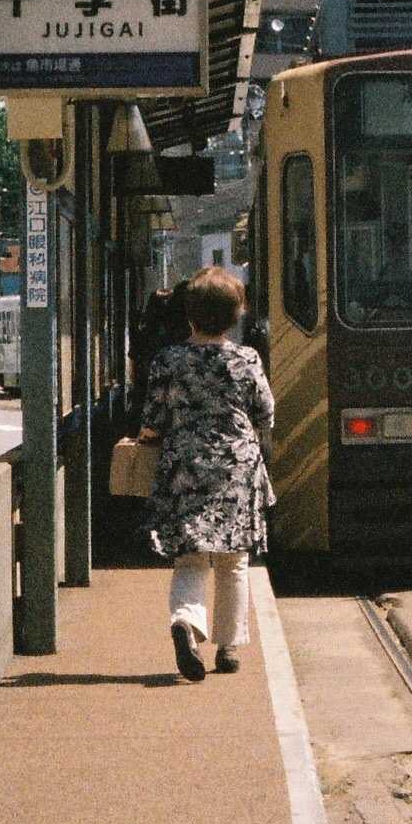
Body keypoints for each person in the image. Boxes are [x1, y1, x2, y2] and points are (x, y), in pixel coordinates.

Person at [140, 267, 276, 680]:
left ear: (189, 314)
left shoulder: (169, 360)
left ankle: (186, 622)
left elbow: (152, 420)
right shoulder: (246, 359)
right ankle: (229, 647)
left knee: (191, 559)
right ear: (236, 315)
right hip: (236, 468)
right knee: (234, 560)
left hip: (185, 467)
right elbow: (265, 414)